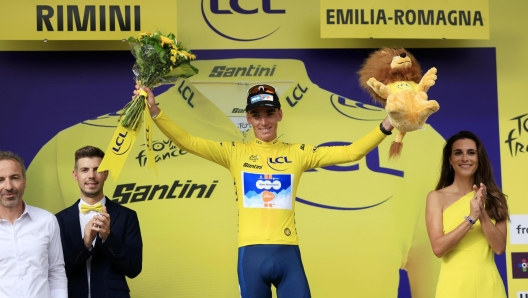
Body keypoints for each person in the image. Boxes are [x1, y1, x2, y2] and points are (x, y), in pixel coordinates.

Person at [137, 83, 394, 298]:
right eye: (257, 115)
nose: (263, 121)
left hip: (288, 253)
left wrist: (387, 124)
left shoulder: (298, 153)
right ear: (248, 118)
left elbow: (351, 152)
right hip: (250, 255)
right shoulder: (234, 153)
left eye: (269, 114)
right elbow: (188, 141)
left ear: (279, 115)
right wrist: (155, 110)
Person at [425, 131, 509, 298]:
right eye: (458, 153)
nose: (465, 158)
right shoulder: (436, 197)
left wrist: (482, 212)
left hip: (489, 284)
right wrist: (471, 218)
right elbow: (438, 248)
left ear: (479, 159)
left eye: (471, 152)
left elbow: (499, 248)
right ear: (450, 160)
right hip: (453, 285)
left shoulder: (495, 197)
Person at [55, 146, 143, 298]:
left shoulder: (127, 216)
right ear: (75, 175)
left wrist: (108, 238)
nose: (91, 175)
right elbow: (57, 271)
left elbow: (133, 269)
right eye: (84, 170)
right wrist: (86, 243)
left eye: (97, 169)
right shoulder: (58, 220)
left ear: (106, 174)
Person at [0, 151, 68, 298]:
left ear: (25, 181)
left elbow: (56, 273)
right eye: (0, 179)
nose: (8, 186)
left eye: (15, 178)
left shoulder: (47, 221)